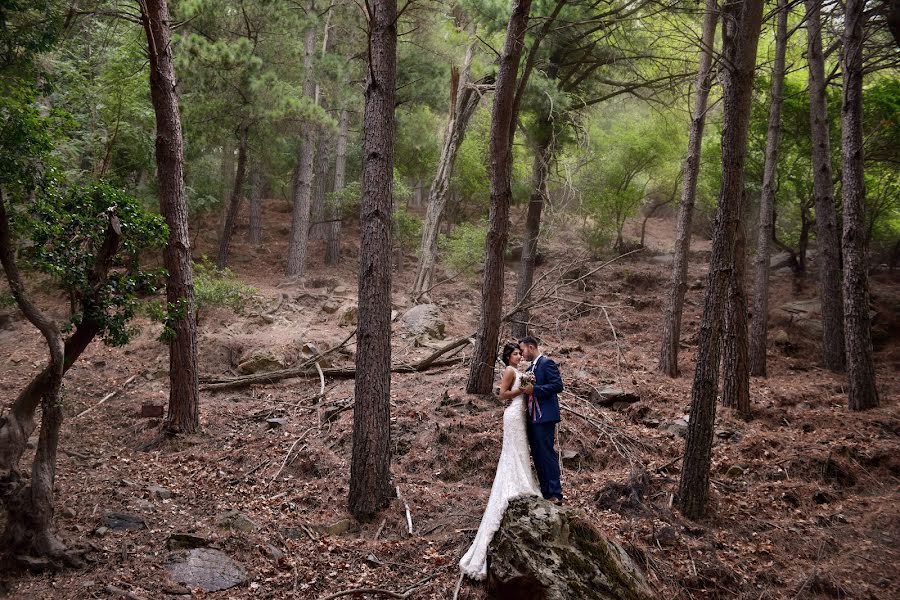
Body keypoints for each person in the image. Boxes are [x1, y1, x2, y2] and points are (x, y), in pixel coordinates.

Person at [459, 342, 541, 581]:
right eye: (516, 353)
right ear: (509, 357)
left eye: (519, 353)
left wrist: (528, 386)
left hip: (521, 415)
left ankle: (520, 479)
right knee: (513, 452)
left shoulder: (519, 372)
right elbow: (502, 395)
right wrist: (522, 390)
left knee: (520, 453)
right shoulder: (509, 371)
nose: (519, 356)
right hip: (513, 414)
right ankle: (515, 485)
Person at [518, 335, 564, 505]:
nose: (522, 354)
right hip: (533, 418)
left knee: (546, 454)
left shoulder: (546, 363)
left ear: (531, 347)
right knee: (538, 456)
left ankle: (555, 493)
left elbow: (558, 385)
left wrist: (535, 389)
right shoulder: (532, 367)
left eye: (522, 350)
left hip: (545, 417)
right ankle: (546, 492)